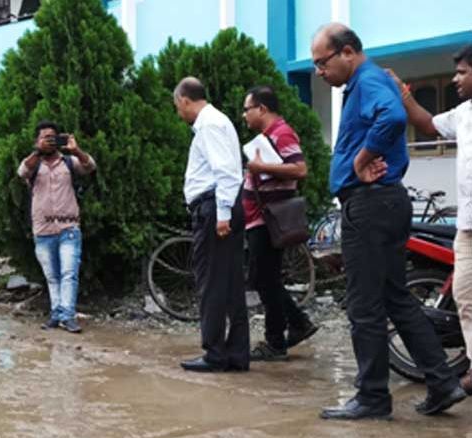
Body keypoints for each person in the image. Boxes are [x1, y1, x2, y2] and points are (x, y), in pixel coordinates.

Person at [311, 23, 465, 420]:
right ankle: (442, 381)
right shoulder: (364, 83)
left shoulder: (368, 81)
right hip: (382, 204)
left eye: (322, 63)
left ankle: (373, 397)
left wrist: (362, 159)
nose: (319, 72)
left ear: (347, 52)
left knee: (364, 305)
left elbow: (393, 116)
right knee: (397, 297)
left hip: (371, 204)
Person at [386, 44, 472, 395]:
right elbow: (425, 122)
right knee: (465, 295)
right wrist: (403, 92)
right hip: (467, 225)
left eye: (463, 72)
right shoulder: (463, 113)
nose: (455, 79)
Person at [173, 77, 249, 373]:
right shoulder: (218, 122)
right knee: (229, 283)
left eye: (177, 107)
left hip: (215, 206)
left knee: (212, 282)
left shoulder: (209, 124)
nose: (178, 114)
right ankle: (237, 353)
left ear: (184, 101)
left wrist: (222, 214)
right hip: (220, 205)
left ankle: (215, 353)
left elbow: (227, 172)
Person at [241, 85, 319, 361]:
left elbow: (299, 169)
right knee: (264, 278)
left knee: (265, 278)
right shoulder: (267, 136)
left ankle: (276, 341)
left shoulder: (282, 133)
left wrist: (261, 169)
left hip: (268, 219)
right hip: (257, 218)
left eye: (247, 109)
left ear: (262, 109)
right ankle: (297, 323)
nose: (244, 115)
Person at [17, 121, 96, 333]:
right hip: (42, 231)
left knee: (69, 273)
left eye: (53, 137)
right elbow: (21, 172)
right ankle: (56, 314)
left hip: (68, 228)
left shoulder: (69, 162)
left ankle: (67, 316)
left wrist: (76, 150)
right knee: (52, 277)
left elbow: (90, 167)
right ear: (37, 140)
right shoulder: (33, 165)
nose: (50, 141)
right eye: (45, 137)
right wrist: (38, 151)